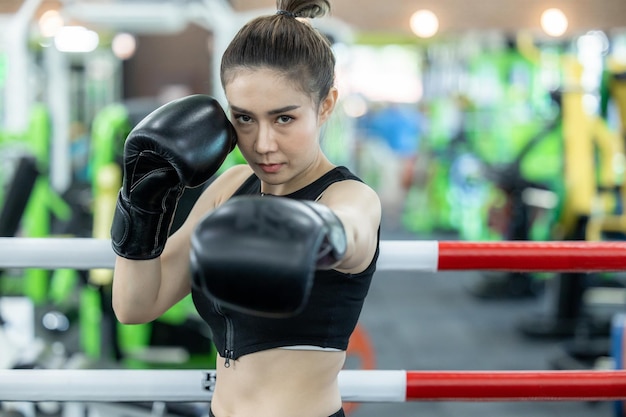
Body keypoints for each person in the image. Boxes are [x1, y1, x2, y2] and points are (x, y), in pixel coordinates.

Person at [110, 1, 381, 417]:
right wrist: (141, 206)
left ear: (325, 106)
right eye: (245, 119)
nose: (262, 143)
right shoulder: (231, 187)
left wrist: (317, 232)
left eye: (284, 119)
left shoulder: (345, 195)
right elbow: (135, 306)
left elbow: (353, 231)